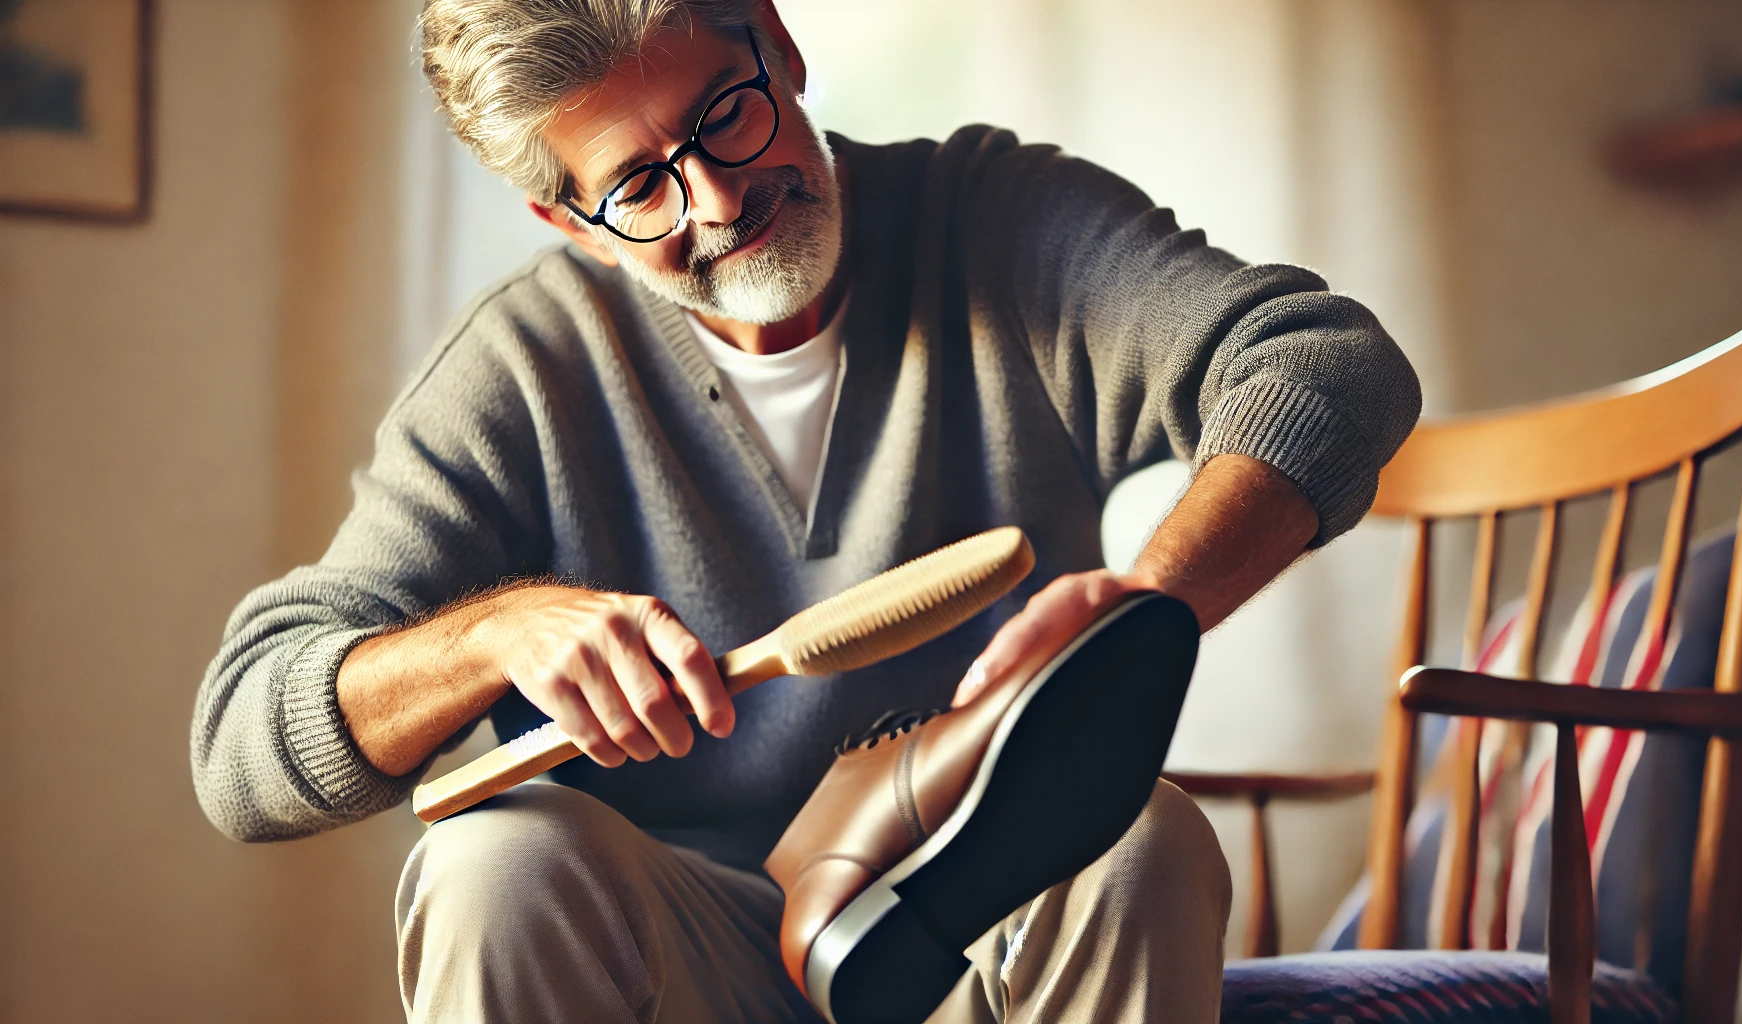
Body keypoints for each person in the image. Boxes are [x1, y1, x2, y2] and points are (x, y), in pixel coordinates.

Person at [189, 1, 1421, 1021]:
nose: (720, 200)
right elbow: (243, 742)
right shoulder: (520, 372)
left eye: (726, 113)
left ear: (776, 42)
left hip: (978, 913)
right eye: (639, 187)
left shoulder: (997, 224)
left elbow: (1327, 368)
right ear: (569, 222)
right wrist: (490, 636)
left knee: (1132, 833)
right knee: (494, 861)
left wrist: (1143, 616)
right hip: (689, 953)